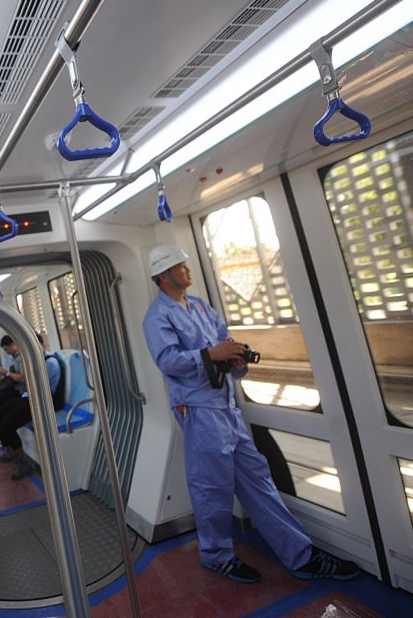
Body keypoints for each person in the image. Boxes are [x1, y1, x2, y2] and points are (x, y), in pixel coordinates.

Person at [142, 244, 360, 584]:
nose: (188, 270)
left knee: (258, 480)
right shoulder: (157, 317)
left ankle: (300, 554)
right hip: (199, 409)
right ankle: (216, 555)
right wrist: (210, 354)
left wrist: (234, 359)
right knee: (212, 486)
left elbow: (222, 342)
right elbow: (168, 361)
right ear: (164, 275)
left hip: (226, 407)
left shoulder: (200, 307)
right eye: (181, 267)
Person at [0, 334, 65, 480]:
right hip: (32, 397)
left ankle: (23, 462)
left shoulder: (50, 364)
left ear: (41, 345)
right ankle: (12, 451)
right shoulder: (37, 362)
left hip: (44, 402)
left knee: (7, 424)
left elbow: (41, 389)